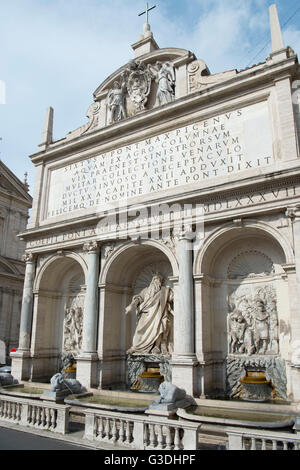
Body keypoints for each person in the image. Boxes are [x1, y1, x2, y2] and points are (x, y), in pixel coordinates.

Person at [125, 273, 173, 355]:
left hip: (158, 314)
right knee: (139, 331)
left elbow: (171, 298)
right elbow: (138, 299)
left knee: (159, 327)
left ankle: (156, 347)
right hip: (145, 314)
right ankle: (136, 347)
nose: (157, 282)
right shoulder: (145, 290)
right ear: (152, 281)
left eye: (159, 280)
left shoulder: (164, 291)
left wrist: (171, 291)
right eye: (155, 279)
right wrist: (131, 306)